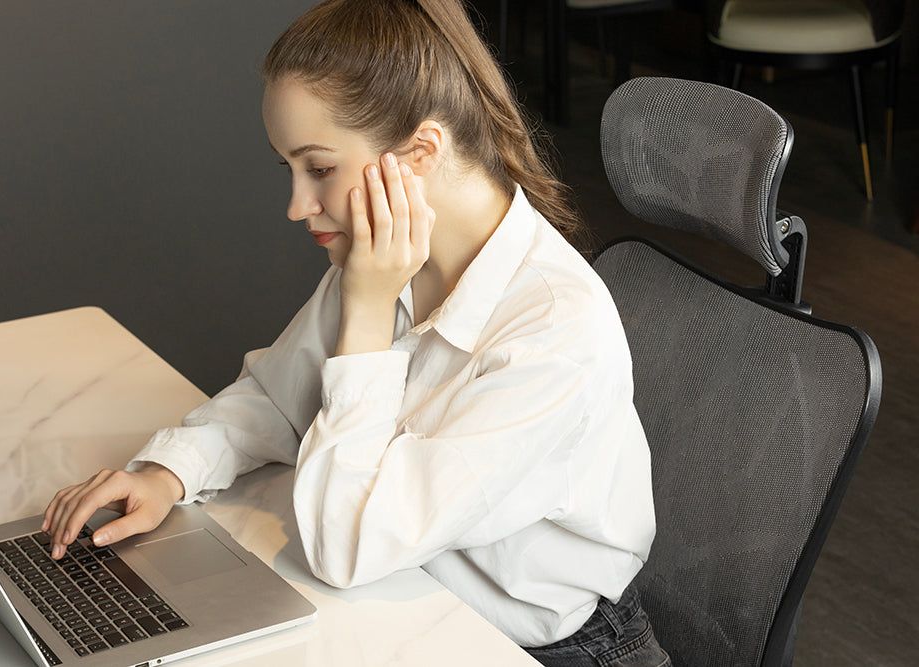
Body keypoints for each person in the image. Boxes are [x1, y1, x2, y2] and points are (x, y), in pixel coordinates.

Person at [42, 1, 670, 664]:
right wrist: (170, 471)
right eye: (289, 169)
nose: (296, 206)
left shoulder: (553, 330)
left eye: (319, 169)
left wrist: (367, 313)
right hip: (415, 598)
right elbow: (276, 395)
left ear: (421, 152)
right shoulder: (388, 255)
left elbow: (345, 545)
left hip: (546, 647)